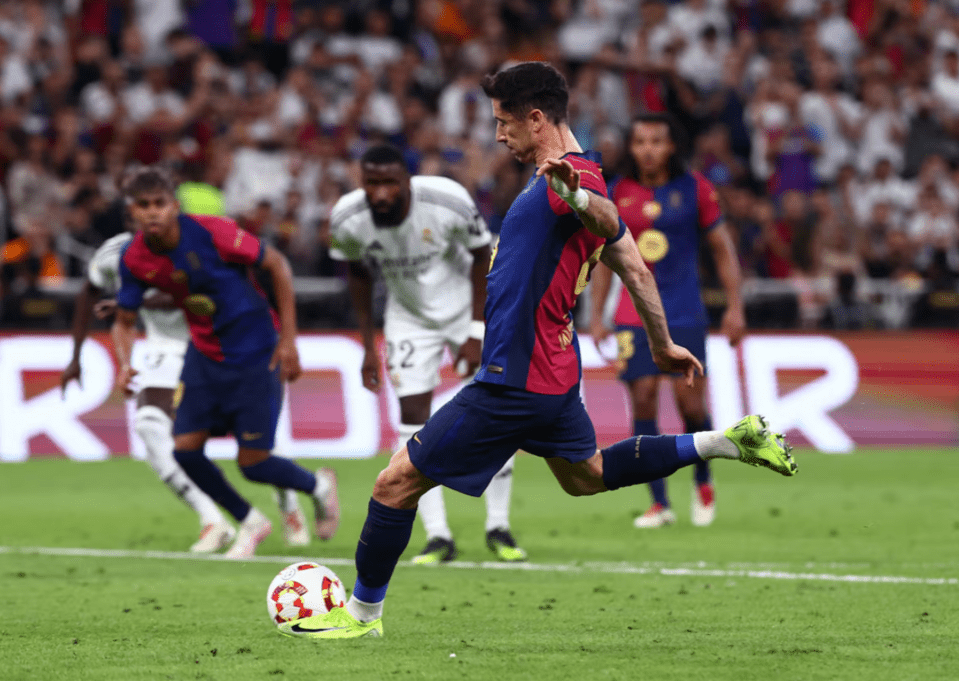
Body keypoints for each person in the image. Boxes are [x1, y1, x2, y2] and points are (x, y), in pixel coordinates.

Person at [280, 61, 795, 640]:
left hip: (514, 379)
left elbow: (600, 215)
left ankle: (361, 616)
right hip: (550, 373)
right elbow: (632, 263)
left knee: (394, 484)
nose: (499, 135)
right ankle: (726, 440)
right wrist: (662, 341)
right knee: (587, 476)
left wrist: (577, 199)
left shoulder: (571, 180)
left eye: (505, 123)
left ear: (536, 119)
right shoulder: (563, 177)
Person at [110, 165, 340, 559]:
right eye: (143, 205)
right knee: (183, 450)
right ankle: (251, 521)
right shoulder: (134, 258)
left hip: (255, 352)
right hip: (204, 354)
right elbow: (124, 320)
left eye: (159, 203)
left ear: (173, 205)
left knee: (253, 464)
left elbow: (277, 266)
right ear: (131, 211)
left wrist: (288, 341)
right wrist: (124, 361)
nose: (152, 213)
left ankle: (317, 487)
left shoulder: (212, 232)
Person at [329, 143, 527, 565]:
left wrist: (476, 330)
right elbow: (358, 276)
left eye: (389, 183)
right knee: (413, 421)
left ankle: (498, 526)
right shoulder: (348, 219)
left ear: (407, 181)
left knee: (500, 409)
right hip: (408, 320)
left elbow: (482, 257)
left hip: (467, 310)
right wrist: (368, 345)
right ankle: (438, 536)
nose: (380, 194)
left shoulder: (445, 199)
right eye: (372, 184)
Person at [61, 230, 313, 552]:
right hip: (164, 346)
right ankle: (213, 520)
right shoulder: (116, 253)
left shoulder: (198, 241)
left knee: (254, 440)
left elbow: (195, 295)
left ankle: (288, 499)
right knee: (150, 425)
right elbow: (88, 291)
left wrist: (134, 301)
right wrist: (75, 356)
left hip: (218, 341)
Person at [589, 113, 746, 529]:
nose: (648, 149)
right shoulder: (616, 191)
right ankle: (659, 503)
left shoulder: (696, 188)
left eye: (656, 141)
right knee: (641, 398)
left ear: (671, 146)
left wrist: (735, 307)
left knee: (690, 403)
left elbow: (722, 249)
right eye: (640, 141)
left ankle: (703, 479)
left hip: (683, 310)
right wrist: (597, 313)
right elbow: (605, 258)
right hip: (631, 313)